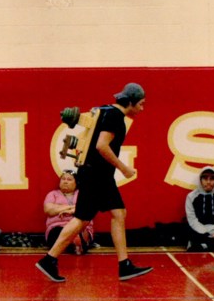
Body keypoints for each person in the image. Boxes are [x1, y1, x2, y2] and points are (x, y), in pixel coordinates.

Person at [36, 83, 153, 282]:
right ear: (131, 102)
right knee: (82, 219)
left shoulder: (103, 110)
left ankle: (123, 264)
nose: (142, 109)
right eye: (141, 104)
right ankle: (49, 259)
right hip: (97, 175)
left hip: (96, 174)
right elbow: (101, 146)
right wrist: (124, 168)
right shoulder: (116, 117)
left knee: (117, 213)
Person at [43, 170, 96, 253]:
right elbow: (49, 210)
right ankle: (76, 243)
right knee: (59, 233)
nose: (65, 181)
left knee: (79, 230)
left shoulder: (82, 194)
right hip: (58, 226)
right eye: (63, 179)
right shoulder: (53, 194)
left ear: (76, 183)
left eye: (69, 179)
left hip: (80, 226)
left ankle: (76, 242)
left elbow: (88, 208)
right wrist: (72, 208)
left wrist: (66, 209)